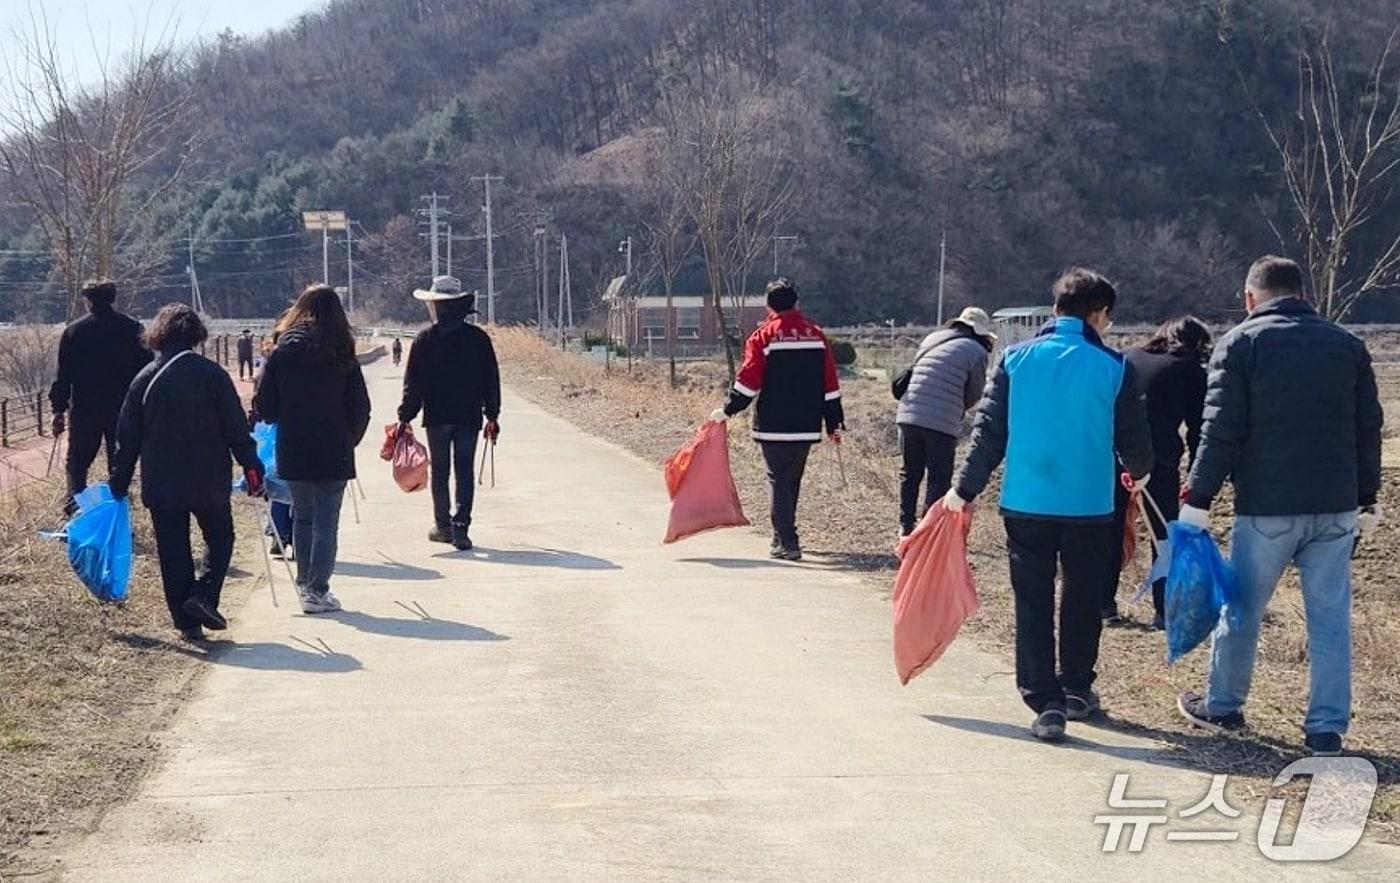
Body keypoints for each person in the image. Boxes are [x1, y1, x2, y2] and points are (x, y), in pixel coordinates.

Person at [1176, 256, 1383, 758]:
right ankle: (1326, 729)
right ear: (1302, 292)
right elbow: (1368, 426)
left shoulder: (1241, 344)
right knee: (1330, 617)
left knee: (1244, 607)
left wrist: (1199, 498)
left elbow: (1221, 429)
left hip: (1267, 505)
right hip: (1335, 506)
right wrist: (1368, 498)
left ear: (1251, 297)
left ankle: (1223, 704)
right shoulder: (1347, 345)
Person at [945, 268, 1153, 742]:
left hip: (1026, 502)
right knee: (1081, 599)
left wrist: (963, 491)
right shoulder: (1116, 368)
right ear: (1099, 315)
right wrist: (1139, 475)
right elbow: (1136, 446)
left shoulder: (1015, 361)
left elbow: (988, 437)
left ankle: (1045, 702)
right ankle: (1077, 688)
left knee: (1033, 600)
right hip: (1090, 506)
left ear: (1055, 309)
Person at [109, 305, 264, 643]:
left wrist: (119, 482)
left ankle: (186, 622)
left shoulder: (144, 378)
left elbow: (127, 437)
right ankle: (204, 596)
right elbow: (236, 427)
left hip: (162, 479)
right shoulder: (212, 374)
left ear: (158, 335)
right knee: (220, 537)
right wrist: (251, 465)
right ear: (196, 335)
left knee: (173, 548)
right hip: (209, 476)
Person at [253, 284, 371, 614]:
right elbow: (361, 407)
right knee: (327, 522)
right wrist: (350, 438)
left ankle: (305, 587)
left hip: (294, 448)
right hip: (334, 449)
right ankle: (319, 589)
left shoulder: (282, 352)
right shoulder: (343, 355)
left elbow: (265, 405)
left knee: (301, 518)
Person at [712, 278, 844, 561]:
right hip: (806, 425)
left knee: (778, 480)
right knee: (791, 480)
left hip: (773, 425)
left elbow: (748, 382)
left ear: (769, 306)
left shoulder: (764, 336)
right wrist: (834, 423)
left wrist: (728, 410)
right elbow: (830, 383)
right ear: (797, 303)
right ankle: (781, 536)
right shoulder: (816, 335)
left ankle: (787, 540)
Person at [1103, 316, 1211, 629]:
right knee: (1164, 534)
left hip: (1114, 453)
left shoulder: (1129, 358)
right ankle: (1165, 611)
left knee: (1108, 528)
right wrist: (1196, 478)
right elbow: (1198, 429)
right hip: (1158, 458)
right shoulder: (1188, 370)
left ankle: (1103, 605)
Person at [397, 276, 501, 550]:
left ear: (437, 306)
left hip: (437, 417)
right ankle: (461, 528)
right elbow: (491, 379)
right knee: (464, 470)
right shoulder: (478, 339)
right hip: (468, 416)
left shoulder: (425, 340)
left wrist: (405, 417)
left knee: (440, 471)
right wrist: (493, 414)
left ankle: (443, 526)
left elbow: (414, 384)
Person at [49, 279, 152, 510]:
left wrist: (58, 409)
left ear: (88, 301)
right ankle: (118, 509)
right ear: (113, 299)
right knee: (120, 462)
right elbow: (147, 371)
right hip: (124, 407)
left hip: (86, 408)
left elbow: (63, 375)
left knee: (78, 462)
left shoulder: (74, 331)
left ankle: (75, 508)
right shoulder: (133, 328)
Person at [894, 306, 996, 536]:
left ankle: (904, 526)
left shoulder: (933, 338)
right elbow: (974, 394)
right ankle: (927, 531)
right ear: (980, 332)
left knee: (910, 472)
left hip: (908, 414)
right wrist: (958, 409)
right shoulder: (976, 352)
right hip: (941, 420)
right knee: (938, 479)